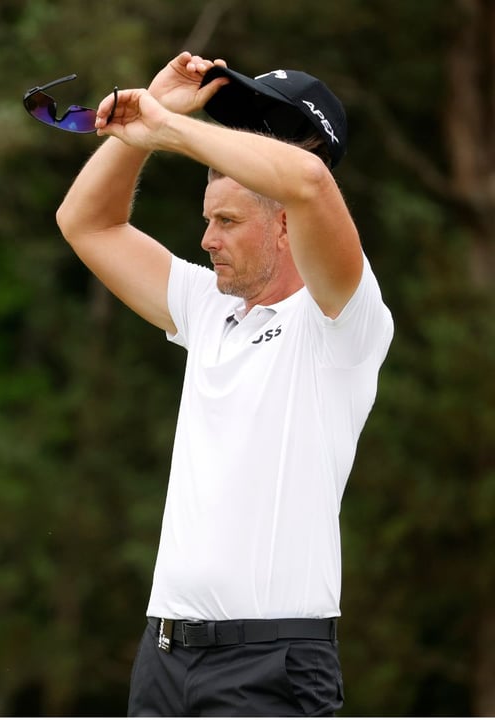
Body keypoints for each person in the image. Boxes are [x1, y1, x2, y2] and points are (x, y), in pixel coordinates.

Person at [55, 53, 393, 716]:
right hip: (163, 659)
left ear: (287, 225)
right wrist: (146, 121)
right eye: (208, 220)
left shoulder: (343, 320)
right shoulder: (210, 308)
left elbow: (308, 183)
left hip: (270, 668)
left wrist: (169, 131)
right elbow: (86, 222)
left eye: (228, 222)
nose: (206, 241)